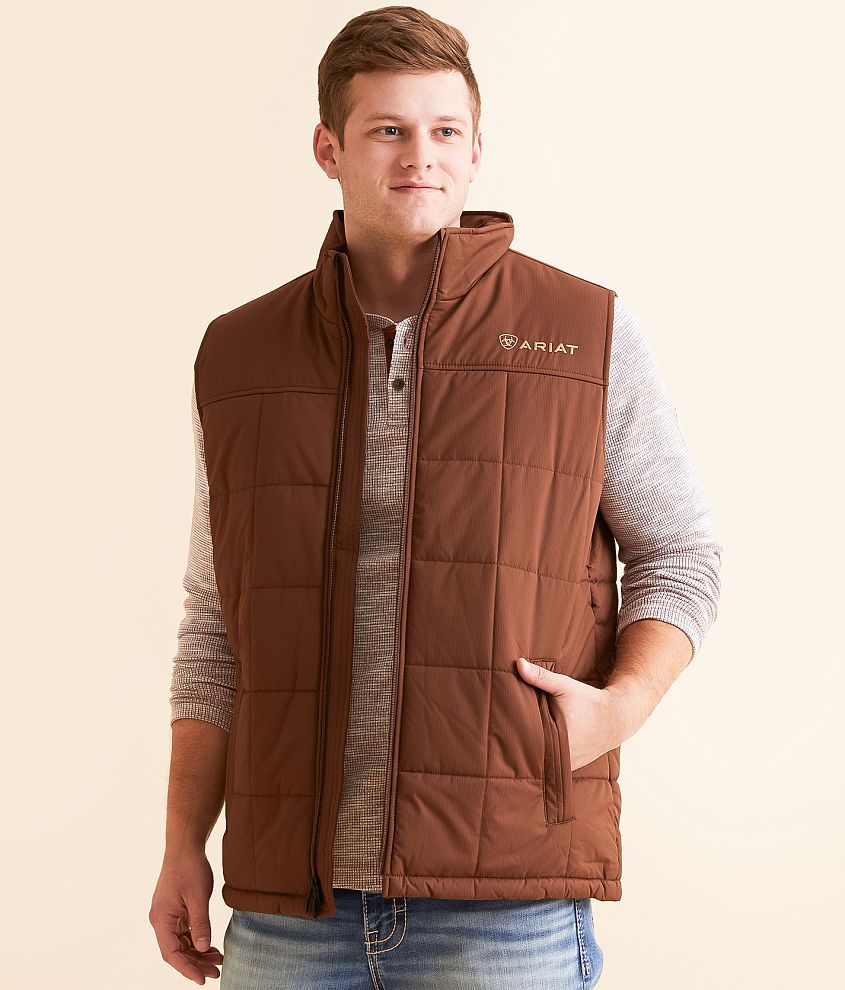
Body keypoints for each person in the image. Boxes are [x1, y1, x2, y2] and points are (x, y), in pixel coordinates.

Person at [149, 5, 723, 987]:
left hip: (505, 902)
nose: (420, 156)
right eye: (387, 129)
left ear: (475, 149)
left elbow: (681, 554)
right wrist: (180, 846)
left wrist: (616, 711)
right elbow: (216, 625)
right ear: (328, 150)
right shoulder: (240, 356)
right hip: (291, 909)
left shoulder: (583, 335)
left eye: (444, 130)